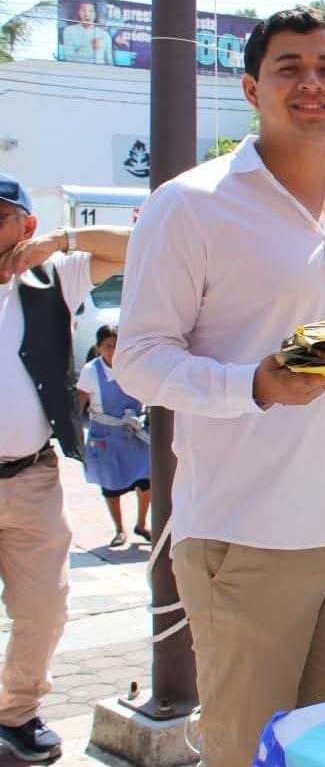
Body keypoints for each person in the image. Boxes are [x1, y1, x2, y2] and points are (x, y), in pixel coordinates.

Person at [114, 7, 325, 767]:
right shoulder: (190, 204)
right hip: (249, 535)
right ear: (252, 86)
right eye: (289, 68)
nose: (311, 83)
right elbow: (139, 358)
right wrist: (251, 385)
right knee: (247, 750)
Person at [0, 171, 129, 762]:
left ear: (24, 224)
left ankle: (16, 712)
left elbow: (137, 243)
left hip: (30, 475)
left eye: (0, 215)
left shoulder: (49, 280)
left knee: (45, 606)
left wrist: (59, 241)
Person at [76, 324, 151, 548]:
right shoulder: (91, 371)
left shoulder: (135, 366)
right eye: (108, 346)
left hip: (135, 433)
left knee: (146, 481)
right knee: (111, 485)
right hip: (106, 436)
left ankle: (142, 523)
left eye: (117, 346)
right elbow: (79, 402)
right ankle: (120, 529)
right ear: (99, 348)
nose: (113, 351)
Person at [59, 0, 113, 65]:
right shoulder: (69, 31)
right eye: (83, 10)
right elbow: (69, 58)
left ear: (96, 13)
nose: (86, 14)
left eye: (90, 11)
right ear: (78, 12)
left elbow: (110, 63)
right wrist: (91, 46)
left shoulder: (104, 35)